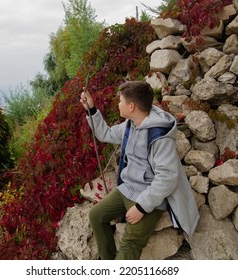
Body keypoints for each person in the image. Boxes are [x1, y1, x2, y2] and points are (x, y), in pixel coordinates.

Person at [80, 80, 199, 260]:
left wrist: (142, 207)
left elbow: (167, 178)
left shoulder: (159, 136)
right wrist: (92, 109)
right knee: (96, 215)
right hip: (128, 188)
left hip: (150, 198)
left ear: (132, 106)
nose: (118, 104)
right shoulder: (130, 124)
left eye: (121, 101)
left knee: (131, 243)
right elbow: (105, 134)